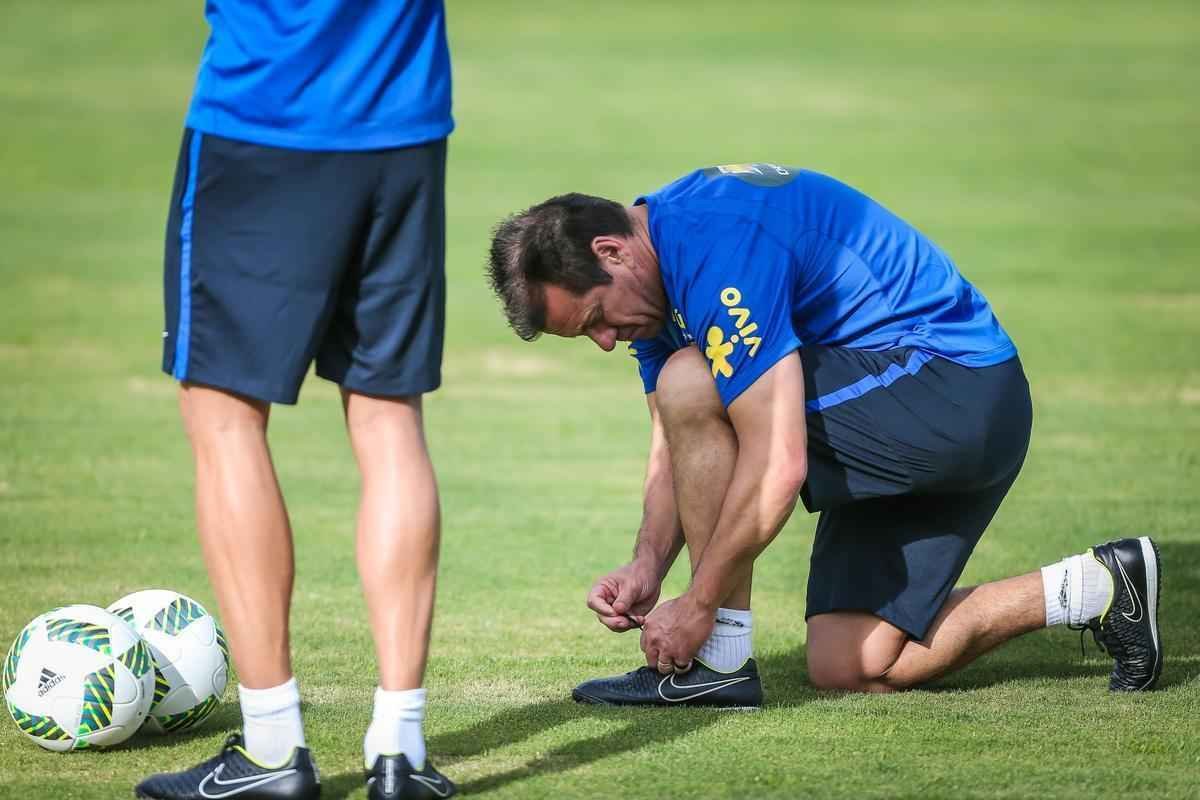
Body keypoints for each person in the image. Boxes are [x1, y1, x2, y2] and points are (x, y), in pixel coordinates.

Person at [485, 162, 1163, 707]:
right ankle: (1099, 585)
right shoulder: (657, 283)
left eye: (598, 317)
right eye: (590, 335)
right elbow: (674, 438)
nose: (605, 341)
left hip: (953, 391)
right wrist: (646, 563)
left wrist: (699, 604)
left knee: (693, 381)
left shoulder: (714, 241)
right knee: (851, 662)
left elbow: (776, 460)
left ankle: (718, 661)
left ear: (612, 252)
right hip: (929, 411)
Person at [137, 3, 457, 799]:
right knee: (388, 415)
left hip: (264, 119)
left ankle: (274, 748)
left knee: (223, 413)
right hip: (404, 130)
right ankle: (401, 750)